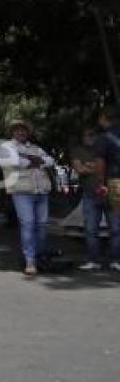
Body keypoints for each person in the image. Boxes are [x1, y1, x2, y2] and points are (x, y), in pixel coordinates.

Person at [0, 120, 55, 276]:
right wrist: (36, 161)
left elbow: (50, 161)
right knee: (28, 224)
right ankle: (30, 260)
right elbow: (15, 162)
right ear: (12, 132)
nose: (21, 132)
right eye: (17, 130)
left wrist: (32, 160)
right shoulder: (6, 147)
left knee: (42, 225)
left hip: (41, 190)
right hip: (22, 191)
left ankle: (39, 257)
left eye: (24, 130)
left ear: (28, 132)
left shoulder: (35, 148)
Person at [70, 128, 108, 270]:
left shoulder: (107, 148)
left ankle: (116, 260)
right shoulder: (78, 150)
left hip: (112, 192)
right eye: (87, 134)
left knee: (116, 227)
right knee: (91, 228)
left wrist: (90, 167)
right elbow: (79, 169)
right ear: (83, 136)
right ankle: (93, 260)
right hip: (90, 193)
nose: (90, 137)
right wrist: (101, 168)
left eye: (93, 134)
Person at [92, 106, 120, 272]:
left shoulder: (103, 138)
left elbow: (100, 163)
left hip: (114, 182)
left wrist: (101, 183)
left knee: (115, 223)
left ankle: (115, 259)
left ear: (104, 118)